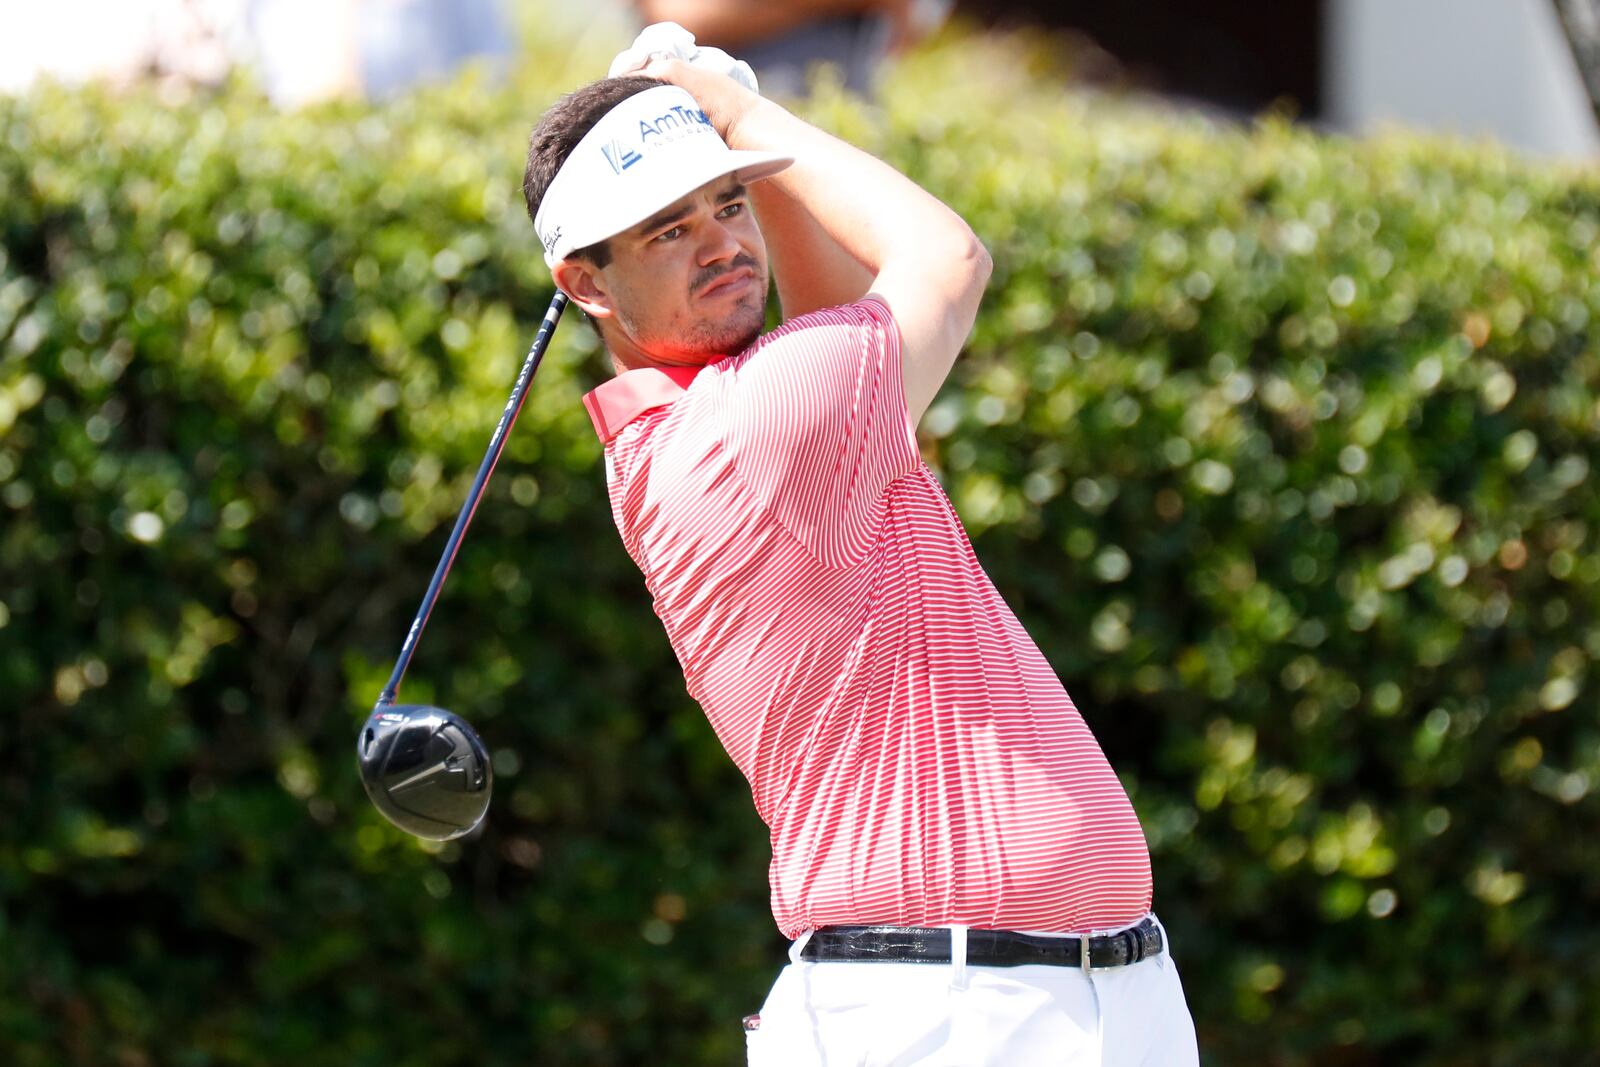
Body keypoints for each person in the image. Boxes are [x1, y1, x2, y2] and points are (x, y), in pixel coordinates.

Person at [520, 27, 1199, 1066]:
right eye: (666, 229)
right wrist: (744, 117)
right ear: (585, 283)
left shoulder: (748, 418)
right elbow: (947, 258)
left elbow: (834, 325)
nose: (721, 245)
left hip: (1048, 996)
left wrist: (747, 157)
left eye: (729, 203)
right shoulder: (756, 422)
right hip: (945, 1011)